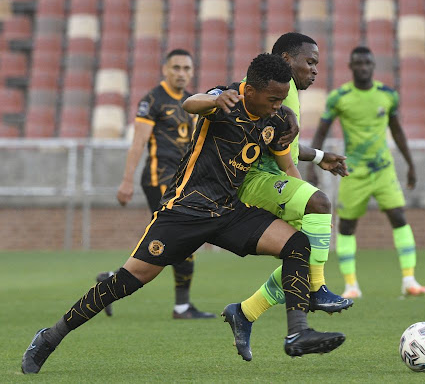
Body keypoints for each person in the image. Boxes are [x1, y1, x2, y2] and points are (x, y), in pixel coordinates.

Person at [21, 53, 346, 375]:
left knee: (297, 244)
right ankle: (50, 337)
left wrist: (308, 178)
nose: (277, 105)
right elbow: (193, 103)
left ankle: (297, 332)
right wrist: (215, 100)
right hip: (185, 209)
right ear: (250, 91)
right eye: (273, 99)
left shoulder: (275, 118)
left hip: (228, 212)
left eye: (282, 100)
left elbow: (286, 160)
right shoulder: (226, 99)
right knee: (128, 280)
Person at [188, 32, 353, 362]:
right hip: (252, 180)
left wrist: (321, 157)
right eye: (310, 62)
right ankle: (316, 290)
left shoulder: (282, 91)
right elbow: (250, 119)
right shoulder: (277, 87)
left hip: (268, 178)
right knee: (319, 203)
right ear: (287, 60)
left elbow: (283, 145)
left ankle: (245, 312)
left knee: (302, 251)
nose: (315, 71)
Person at [101, 49, 215, 319]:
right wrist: (126, 180)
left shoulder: (193, 101)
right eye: (176, 68)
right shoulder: (152, 100)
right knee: (182, 234)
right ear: (165, 69)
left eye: (186, 68)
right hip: (157, 178)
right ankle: (182, 306)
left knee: (170, 240)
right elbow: (138, 142)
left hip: (180, 181)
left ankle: (111, 281)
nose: (181, 73)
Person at [307, 46, 425, 299]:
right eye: (358, 64)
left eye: (367, 63)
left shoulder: (387, 95)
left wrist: (411, 164)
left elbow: (397, 130)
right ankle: (351, 285)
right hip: (352, 172)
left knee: (399, 217)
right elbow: (321, 131)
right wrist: (312, 164)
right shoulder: (340, 97)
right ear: (351, 67)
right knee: (348, 225)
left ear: (373, 66)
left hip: (384, 170)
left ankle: (409, 279)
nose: (363, 67)